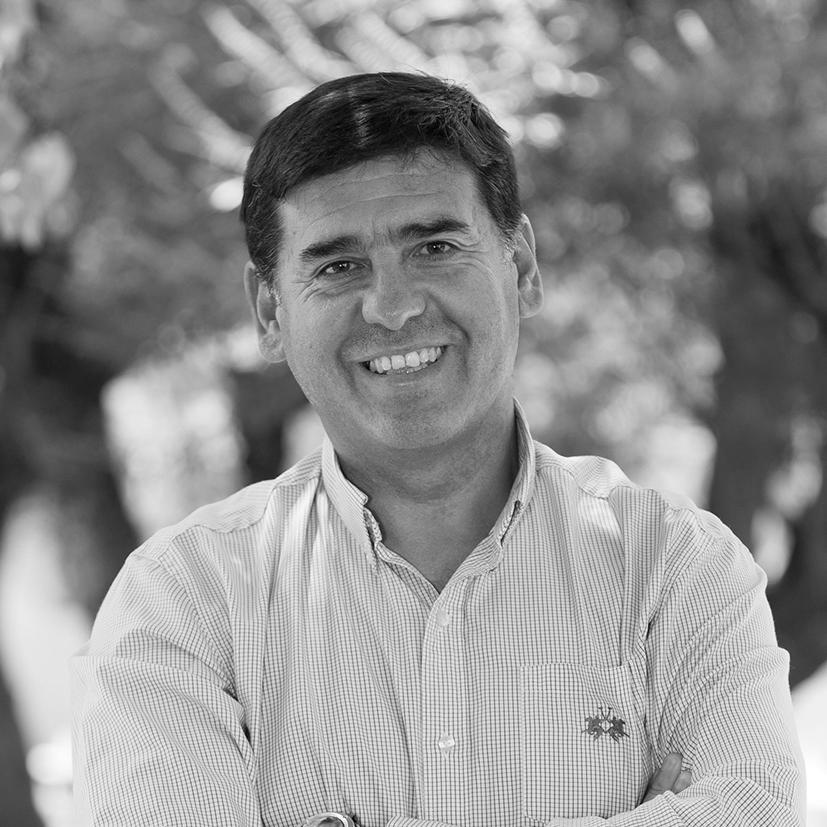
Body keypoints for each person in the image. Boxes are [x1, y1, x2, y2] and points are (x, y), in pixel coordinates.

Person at [71, 72, 805, 826]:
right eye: (337, 266)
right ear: (270, 313)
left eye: (435, 246)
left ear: (521, 268)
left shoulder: (674, 567)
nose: (393, 307)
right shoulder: (184, 601)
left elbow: (756, 807)